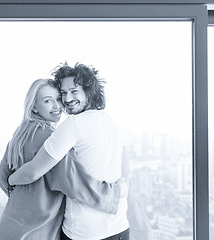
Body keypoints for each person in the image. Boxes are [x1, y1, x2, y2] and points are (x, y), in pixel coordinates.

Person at [9, 62, 130, 240]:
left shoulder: (73, 125)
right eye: (63, 93)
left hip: (84, 233)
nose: (67, 99)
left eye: (74, 91)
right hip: (120, 229)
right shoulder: (113, 124)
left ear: (89, 92)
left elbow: (34, 171)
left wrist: (10, 179)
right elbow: (125, 174)